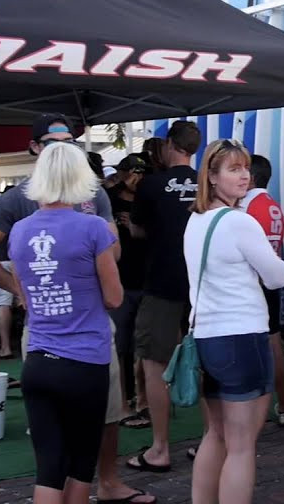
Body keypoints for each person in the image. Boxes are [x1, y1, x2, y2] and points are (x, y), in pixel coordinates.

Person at [0, 114, 153, 504]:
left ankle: (109, 481)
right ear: (35, 148)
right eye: (53, 141)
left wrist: (31, 289)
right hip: (84, 349)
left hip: (45, 355)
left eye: (69, 141)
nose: (62, 147)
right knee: (79, 460)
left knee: (55, 460)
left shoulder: (28, 226)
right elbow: (113, 293)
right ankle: (102, 482)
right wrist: (22, 287)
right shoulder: (40, 207)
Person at [9, 140, 124, 504]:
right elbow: (114, 297)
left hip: (38, 360)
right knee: (81, 462)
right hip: (85, 361)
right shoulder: (94, 228)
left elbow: (24, 294)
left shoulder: (19, 230)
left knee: (49, 467)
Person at [185, 140, 284, 504]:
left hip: (207, 337)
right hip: (243, 337)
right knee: (242, 445)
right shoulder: (240, 222)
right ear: (212, 177)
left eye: (245, 167)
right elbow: (277, 277)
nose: (244, 175)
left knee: (215, 434)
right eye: (233, 169)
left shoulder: (195, 220)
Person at [128, 120, 201, 473]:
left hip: (161, 283)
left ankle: (160, 448)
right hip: (203, 285)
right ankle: (211, 441)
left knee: (155, 365)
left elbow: (137, 229)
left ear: (170, 144)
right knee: (209, 360)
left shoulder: (151, 184)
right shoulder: (208, 182)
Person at [239, 154, 284, 427]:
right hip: (270, 282)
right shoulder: (272, 205)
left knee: (247, 350)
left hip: (250, 284)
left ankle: (249, 413)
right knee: (274, 343)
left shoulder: (244, 207)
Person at [107, 154, 151, 429]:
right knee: (121, 345)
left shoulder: (149, 200)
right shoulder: (108, 200)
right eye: (131, 173)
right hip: (120, 282)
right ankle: (123, 402)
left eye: (140, 173)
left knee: (143, 346)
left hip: (146, 280)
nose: (135, 178)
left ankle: (143, 400)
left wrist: (137, 228)